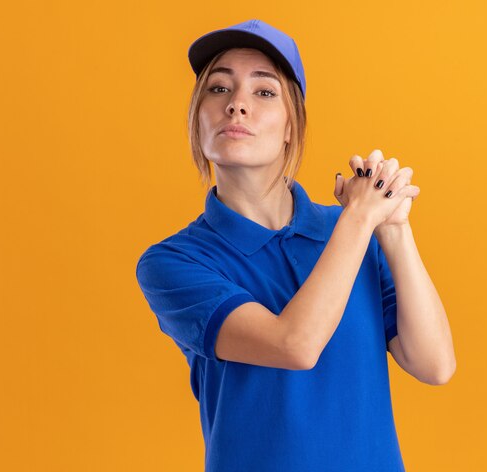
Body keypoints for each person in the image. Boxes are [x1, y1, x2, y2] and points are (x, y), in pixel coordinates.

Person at [135, 18, 455, 472]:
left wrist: (394, 229)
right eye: (219, 89)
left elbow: (434, 365)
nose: (237, 106)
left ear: (292, 125)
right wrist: (362, 217)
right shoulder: (175, 261)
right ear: (197, 118)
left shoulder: (350, 233)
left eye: (264, 92)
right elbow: (295, 346)